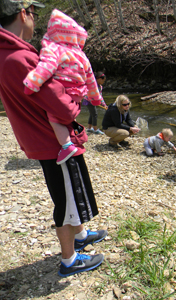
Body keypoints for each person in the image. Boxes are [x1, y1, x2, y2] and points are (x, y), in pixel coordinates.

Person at [0, 0, 107, 277]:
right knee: (67, 200)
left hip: (41, 137)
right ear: (23, 14)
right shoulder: (18, 58)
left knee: (69, 194)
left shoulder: (9, 53)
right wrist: (76, 105)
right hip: (52, 141)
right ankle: (69, 259)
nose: (35, 20)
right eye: (34, 14)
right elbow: (56, 101)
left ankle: (80, 235)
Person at [22, 9, 103, 165]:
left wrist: (32, 84)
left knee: (54, 118)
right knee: (67, 115)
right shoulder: (81, 54)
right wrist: (95, 98)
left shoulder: (53, 48)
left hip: (63, 90)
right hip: (78, 93)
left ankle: (66, 146)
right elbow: (90, 78)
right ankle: (73, 136)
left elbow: (46, 68)